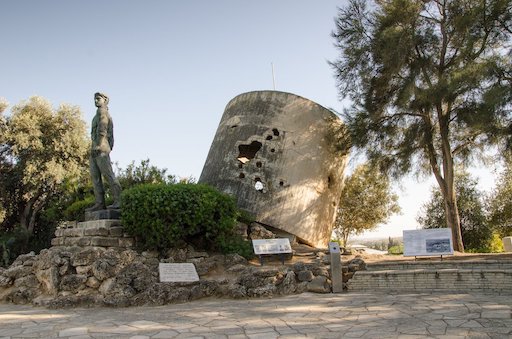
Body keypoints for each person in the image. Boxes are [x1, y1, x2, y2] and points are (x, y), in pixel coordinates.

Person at [86, 92, 122, 211]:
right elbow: (93, 134)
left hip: (101, 148)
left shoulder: (103, 113)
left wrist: (100, 145)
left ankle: (119, 200)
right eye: (95, 99)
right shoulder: (95, 116)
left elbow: (103, 130)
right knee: (95, 177)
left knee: (108, 175)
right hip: (94, 148)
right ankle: (99, 203)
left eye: (98, 99)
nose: (96, 101)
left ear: (105, 100)